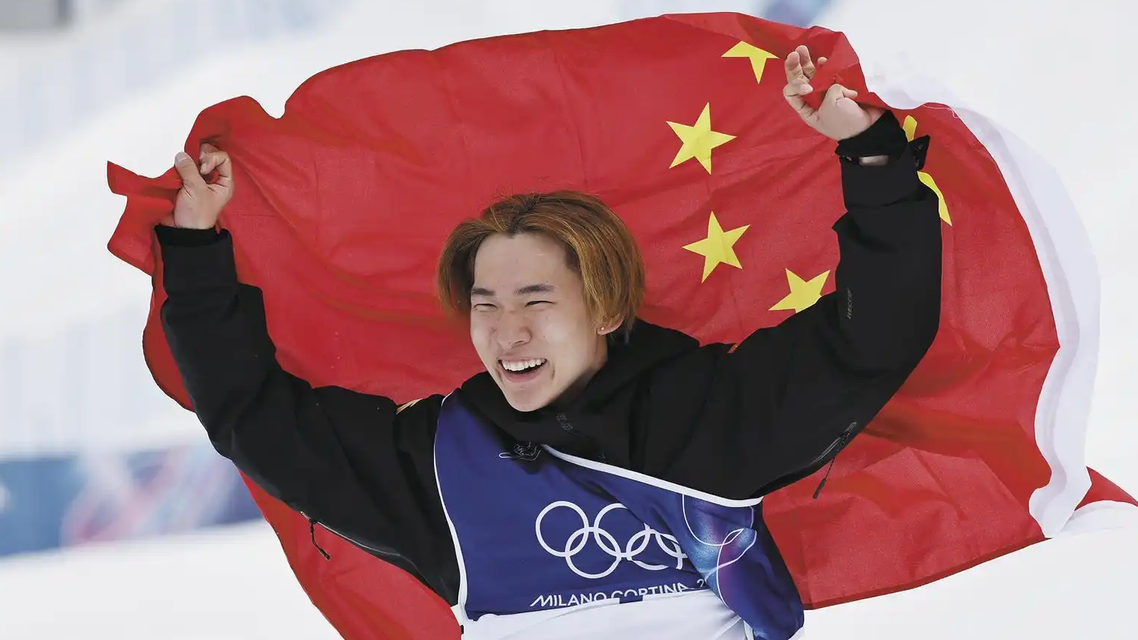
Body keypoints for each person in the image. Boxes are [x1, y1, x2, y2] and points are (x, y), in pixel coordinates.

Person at [156, 45, 941, 639]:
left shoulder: (707, 413)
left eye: (536, 300)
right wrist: (194, 252)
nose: (508, 331)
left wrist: (873, 155)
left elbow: (875, 332)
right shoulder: (439, 465)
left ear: (604, 305)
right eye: (485, 305)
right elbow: (254, 418)